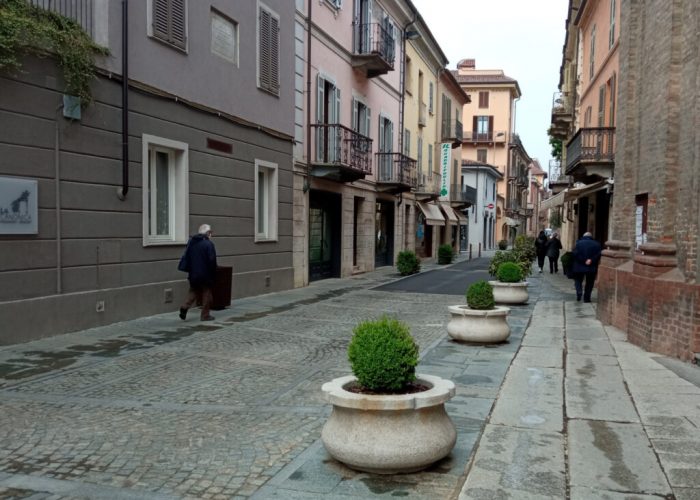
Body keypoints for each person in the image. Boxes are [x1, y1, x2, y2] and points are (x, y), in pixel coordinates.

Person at [179, 224, 217, 321]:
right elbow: (212, 260)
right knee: (206, 293)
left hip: (193, 273)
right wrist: (214, 272)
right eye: (210, 232)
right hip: (205, 274)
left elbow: (187, 257)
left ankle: (184, 307)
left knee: (193, 291)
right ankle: (205, 315)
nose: (211, 235)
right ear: (207, 233)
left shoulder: (192, 242)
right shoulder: (209, 244)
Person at [572, 231, 602, 302]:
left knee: (578, 280)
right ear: (591, 237)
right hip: (591, 266)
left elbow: (575, 254)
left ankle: (579, 291)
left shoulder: (578, 243)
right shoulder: (597, 244)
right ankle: (586, 298)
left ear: (583, 236)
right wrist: (591, 260)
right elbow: (599, 254)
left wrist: (583, 260)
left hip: (579, 266)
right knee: (590, 282)